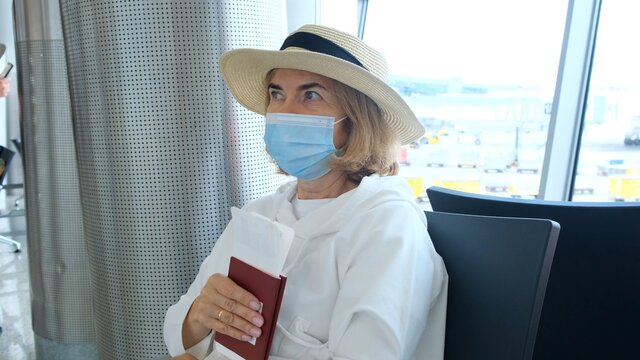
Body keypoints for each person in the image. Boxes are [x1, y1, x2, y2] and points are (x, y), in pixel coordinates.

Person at [164, 24, 448, 360]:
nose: (285, 112)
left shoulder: (388, 226)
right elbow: (177, 335)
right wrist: (199, 315)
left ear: (356, 120)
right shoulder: (259, 213)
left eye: (311, 95)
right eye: (276, 94)